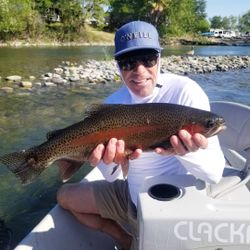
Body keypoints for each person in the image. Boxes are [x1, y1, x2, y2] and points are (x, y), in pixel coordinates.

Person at [57, 21, 225, 250]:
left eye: (147, 59)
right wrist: (111, 161)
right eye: (127, 62)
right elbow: (112, 177)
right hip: (129, 197)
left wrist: (186, 152)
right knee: (64, 196)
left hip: (174, 207)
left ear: (159, 58)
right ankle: (125, 239)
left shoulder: (185, 92)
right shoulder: (113, 104)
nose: (139, 71)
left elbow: (214, 174)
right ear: (118, 66)